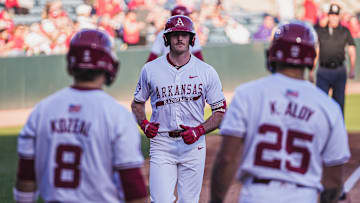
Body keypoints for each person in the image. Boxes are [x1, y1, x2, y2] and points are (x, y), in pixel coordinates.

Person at [210, 21, 351, 203]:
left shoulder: (247, 94)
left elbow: (226, 159)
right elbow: (333, 181)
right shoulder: (328, 107)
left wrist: (215, 200)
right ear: (312, 57)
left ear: (273, 53)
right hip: (303, 196)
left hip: (257, 195)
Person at [13, 29, 148, 203]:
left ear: (71, 62)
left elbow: (25, 179)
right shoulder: (118, 115)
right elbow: (132, 185)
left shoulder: (41, 111)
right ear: (109, 63)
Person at [132, 15, 226, 202]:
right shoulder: (150, 69)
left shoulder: (206, 71)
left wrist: (199, 130)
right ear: (166, 39)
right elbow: (137, 103)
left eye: (184, 34)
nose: (180, 38)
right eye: (175, 35)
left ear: (192, 38)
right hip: (162, 143)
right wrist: (144, 123)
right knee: (160, 200)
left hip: (194, 145)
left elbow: (221, 111)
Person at [309, 3, 357, 115]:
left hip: (339, 71)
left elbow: (351, 49)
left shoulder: (345, 31)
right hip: (323, 71)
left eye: (336, 15)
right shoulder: (320, 30)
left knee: (339, 103)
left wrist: (352, 68)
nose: (333, 17)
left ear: (339, 16)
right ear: (328, 16)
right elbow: (316, 51)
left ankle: (338, 131)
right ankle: (321, 130)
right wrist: (311, 70)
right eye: (331, 15)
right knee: (320, 103)